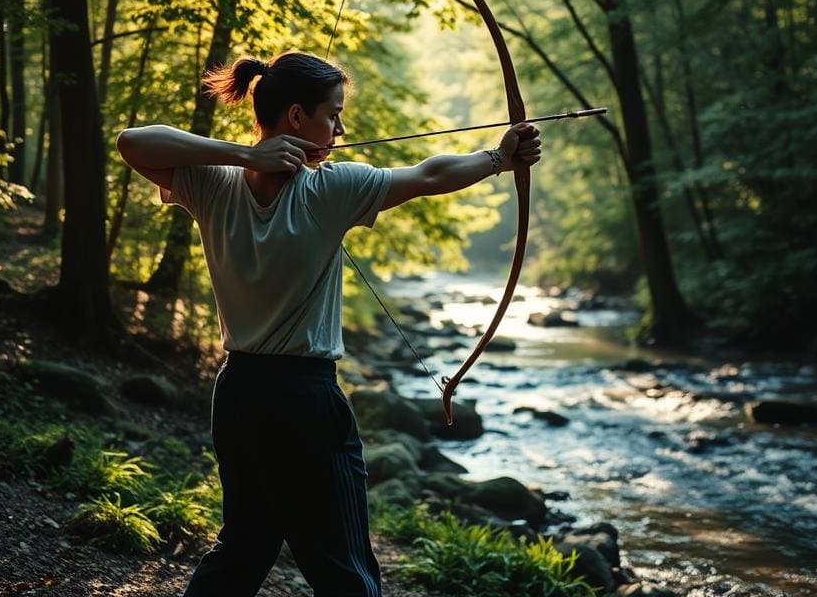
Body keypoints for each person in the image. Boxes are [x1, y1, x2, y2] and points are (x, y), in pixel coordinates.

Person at [116, 50, 541, 596]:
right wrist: (499, 159)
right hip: (305, 402)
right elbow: (429, 174)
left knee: (242, 550)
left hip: (239, 396)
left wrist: (242, 157)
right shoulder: (327, 188)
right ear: (297, 118)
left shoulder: (214, 184)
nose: (340, 128)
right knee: (343, 567)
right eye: (333, 114)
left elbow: (133, 143)